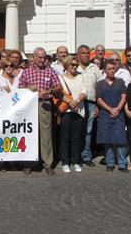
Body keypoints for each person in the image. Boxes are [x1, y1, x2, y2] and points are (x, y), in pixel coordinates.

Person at [19, 47, 62, 175]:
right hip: (29, 106)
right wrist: (28, 88)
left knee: (46, 134)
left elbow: (58, 86)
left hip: (45, 104)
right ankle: (29, 163)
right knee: (30, 133)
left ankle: (47, 163)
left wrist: (48, 91)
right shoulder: (26, 72)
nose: (42, 60)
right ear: (34, 57)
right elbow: (19, 88)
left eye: (44, 57)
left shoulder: (50, 71)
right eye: (40, 57)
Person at [96, 61, 129, 173]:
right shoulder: (100, 84)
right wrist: (110, 109)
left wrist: (117, 109)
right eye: (109, 69)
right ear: (105, 70)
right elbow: (99, 99)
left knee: (120, 140)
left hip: (118, 113)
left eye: (113, 68)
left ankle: (122, 163)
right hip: (105, 114)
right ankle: (110, 163)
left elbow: (123, 97)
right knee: (108, 140)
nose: (111, 70)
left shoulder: (120, 82)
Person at [58, 56, 86, 173]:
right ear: (66, 66)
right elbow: (58, 93)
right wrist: (70, 102)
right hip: (66, 111)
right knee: (65, 137)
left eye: (76, 65)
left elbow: (84, 91)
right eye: (72, 65)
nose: (74, 66)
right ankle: (65, 162)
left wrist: (77, 101)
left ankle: (75, 161)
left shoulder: (80, 76)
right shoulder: (60, 78)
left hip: (79, 110)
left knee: (76, 137)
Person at [77, 45, 102, 167]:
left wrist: (98, 105)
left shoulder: (94, 68)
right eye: (83, 53)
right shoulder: (73, 66)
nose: (86, 55)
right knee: (77, 130)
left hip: (91, 103)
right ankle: (76, 156)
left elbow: (99, 87)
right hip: (77, 103)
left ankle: (86, 156)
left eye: (88, 53)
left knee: (88, 131)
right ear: (78, 54)